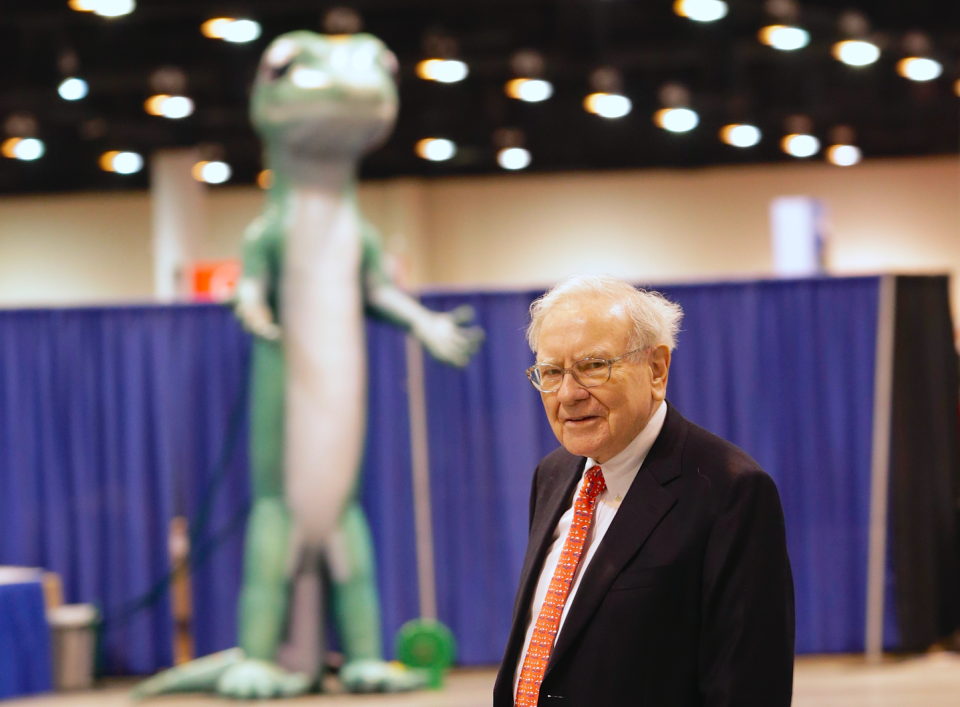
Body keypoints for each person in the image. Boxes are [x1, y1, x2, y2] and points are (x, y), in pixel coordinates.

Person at [493, 275, 795, 707]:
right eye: (551, 372)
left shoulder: (730, 492)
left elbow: (748, 688)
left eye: (594, 366)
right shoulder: (553, 475)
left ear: (656, 369)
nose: (569, 394)